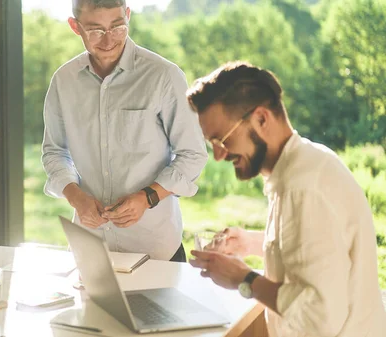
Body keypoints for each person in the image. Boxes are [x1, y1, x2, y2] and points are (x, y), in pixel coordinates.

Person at [186, 61, 385, 337]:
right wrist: (254, 242)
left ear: (262, 119)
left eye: (223, 140)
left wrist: (243, 278)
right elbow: (318, 247)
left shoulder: (302, 187)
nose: (219, 156)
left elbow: (319, 317)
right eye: (213, 145)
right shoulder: (306, 162)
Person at [41, 0, 207, 261]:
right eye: (95, 30)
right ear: (75, 26)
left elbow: (193, 155)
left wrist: (147, 197)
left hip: (156, 250)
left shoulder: (163, 76)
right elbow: (55, 152)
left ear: (128, 16)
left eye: (117, 27)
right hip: (90, 249)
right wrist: (77, 198)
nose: (108, 40)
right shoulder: (64, 81)